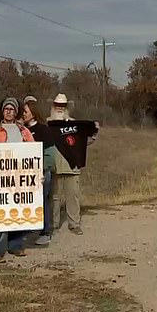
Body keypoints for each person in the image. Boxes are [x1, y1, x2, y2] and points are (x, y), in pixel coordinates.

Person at [0, 97, 35, 263]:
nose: (9, 111)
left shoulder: (24, 132)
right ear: (2, 112)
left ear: (16, 112)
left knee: (17, 211)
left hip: (18, 179)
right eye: (6, 109)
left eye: (12, 109)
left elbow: (32, 153)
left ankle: (15, 245)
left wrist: (35, 172)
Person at [47, 93, 99, 235]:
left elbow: (84, 142)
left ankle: (74, 224)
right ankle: (53, 224)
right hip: (54, 166)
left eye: (62, 106)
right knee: (54, 197)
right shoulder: (47, 124)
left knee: (73, 196)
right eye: (57, 105)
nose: (60, 108)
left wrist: (94, 133)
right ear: (53, 106)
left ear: (66, 107)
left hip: (72, 166)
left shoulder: (75, 124)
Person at [21, 100, 56, 245]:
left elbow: (50, 154)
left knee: (43, 201)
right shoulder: (21, 130)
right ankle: (28, 228)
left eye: (25, 112)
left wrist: (42, 169)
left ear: (33, 113)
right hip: (25, 173)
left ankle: (45, 231)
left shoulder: (43, 130)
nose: (23, 114)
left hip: (42, 173)